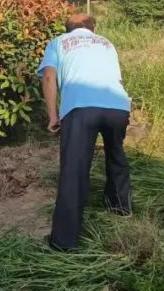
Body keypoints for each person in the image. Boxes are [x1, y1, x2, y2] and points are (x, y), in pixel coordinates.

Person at [38, 13, 133, 252]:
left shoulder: (58, 42)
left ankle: (64, 242)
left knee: (74, 170)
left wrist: (52, 116)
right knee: (116, 155)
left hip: (80, 107)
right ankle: (120, 208)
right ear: (94, 28)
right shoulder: (106, 43)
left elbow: (49, 77)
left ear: (68, 29)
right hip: (118, 107)